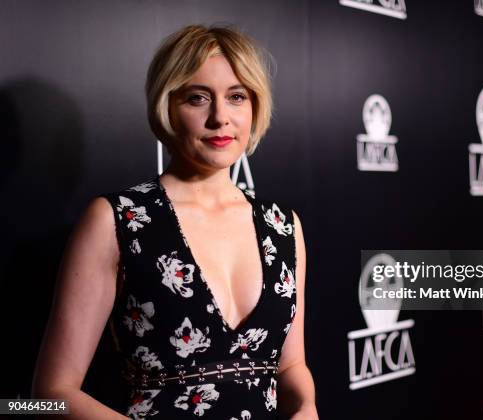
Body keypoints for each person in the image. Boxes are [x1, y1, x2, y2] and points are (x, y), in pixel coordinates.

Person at [32, 24, 318, 420]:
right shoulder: (118, 220)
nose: (220, 117)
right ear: (167, 106)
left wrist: (306, 406)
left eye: (237, 97)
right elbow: (48, 395)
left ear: (255, 106)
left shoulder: (283, 226)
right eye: (198, 98)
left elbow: (290, 366)